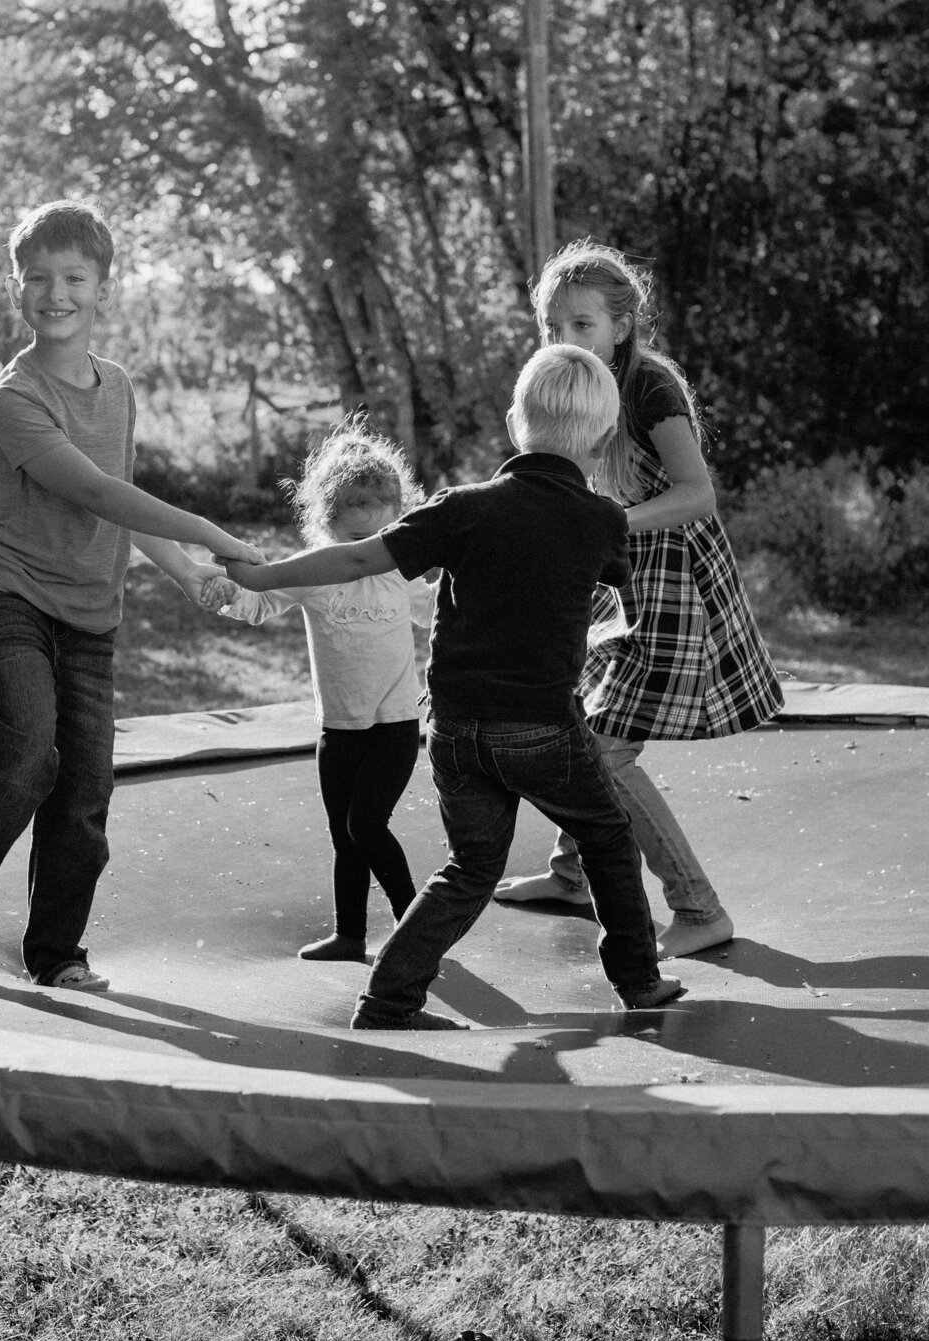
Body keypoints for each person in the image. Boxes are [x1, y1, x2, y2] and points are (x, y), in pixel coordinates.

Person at [220, 345, 682, 1029]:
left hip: (457, 730)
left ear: (514, 423)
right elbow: (609, 580)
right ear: (605, 439)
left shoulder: (462, 508)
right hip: (542, 728)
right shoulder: (602, 520)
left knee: (470, 867)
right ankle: (638, 981)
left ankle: (389, 998)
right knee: (608, 838)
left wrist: (261, 576)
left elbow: (356, 558)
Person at [0, 199, 261, 991]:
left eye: (74, 278)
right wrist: (210, 531)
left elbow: (120, 501)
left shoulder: (118, 387)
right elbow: (97, 492)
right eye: (37, 278)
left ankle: (57, 953)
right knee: (27, 751)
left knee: (85, 788)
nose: (55, 293)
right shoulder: (15, 398)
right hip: (9, 593)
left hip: (90, 613)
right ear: (16, 289)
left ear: (104, 289)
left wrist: (185, 571)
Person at [494, 240, 782, 958]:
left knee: (606, 749)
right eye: (553, 327)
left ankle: (698, 908)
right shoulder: (574, 383)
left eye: (582, 324)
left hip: (671, 577)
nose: (565, 338)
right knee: (579, 718)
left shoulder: (648, 387)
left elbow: (697, 493)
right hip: (619, 572)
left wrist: (609, 524)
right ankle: (572, 876)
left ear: (621, 326)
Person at [205, 419, 435, 963]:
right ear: (327, 525)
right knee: (344, 836)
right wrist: (224, 591)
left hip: (396, 724)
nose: (368, 553)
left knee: (366, 825)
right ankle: (350, 935)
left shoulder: (401, 574)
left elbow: (437, 616)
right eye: (357, 541)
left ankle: (418, 932)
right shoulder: (314, 573)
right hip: (338, 729)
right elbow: (259, 602)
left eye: (380, 540)